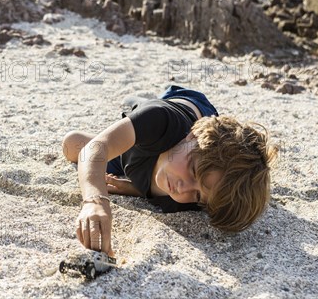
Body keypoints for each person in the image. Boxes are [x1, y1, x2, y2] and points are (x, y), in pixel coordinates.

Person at [61, 85, 278, 256]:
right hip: (188, 108)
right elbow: (94, 150)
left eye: (198, 194)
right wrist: (95, 202)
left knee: (78, 148)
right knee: (73, 145)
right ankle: (135, 118)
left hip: (139, 162)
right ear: (191, 137)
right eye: (193, 171)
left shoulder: (198, 198)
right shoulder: (162, 121)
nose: (183, 189)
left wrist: (135, 188)